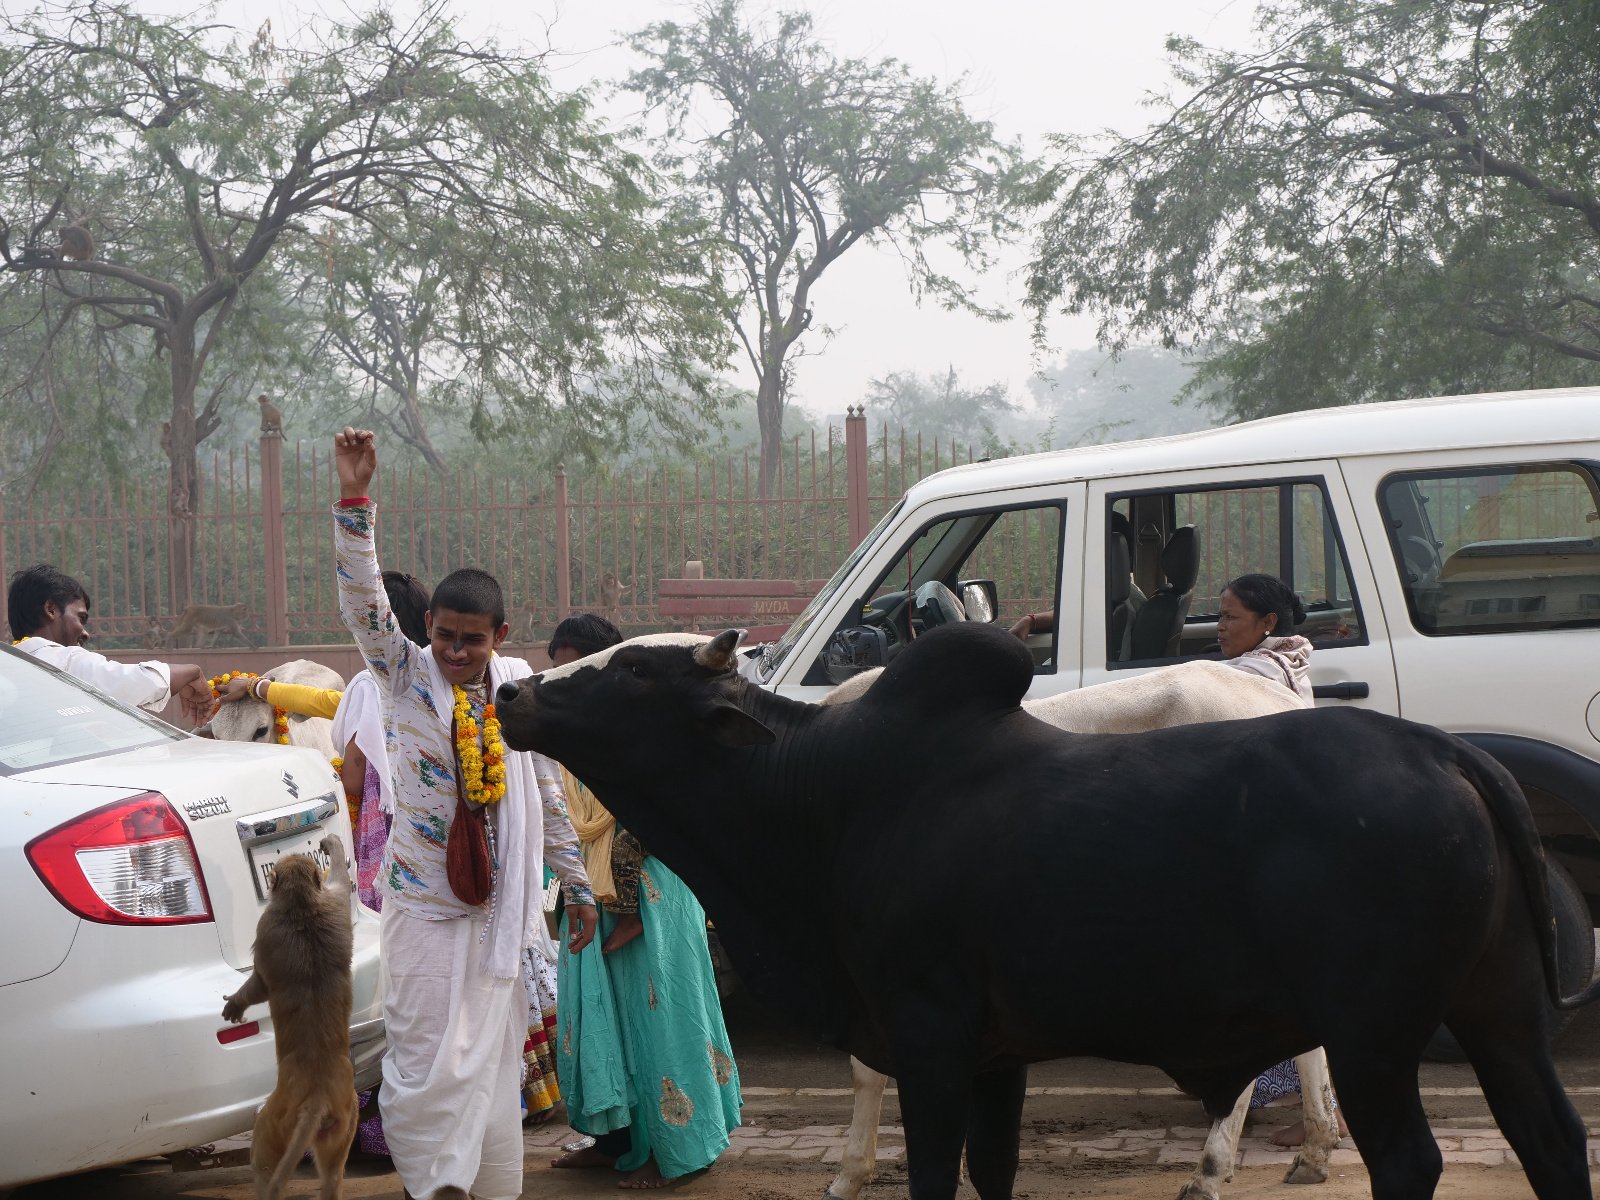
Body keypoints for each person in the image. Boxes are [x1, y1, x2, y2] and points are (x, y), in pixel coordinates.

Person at [330, 426, 599, 1200]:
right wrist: (355, 502)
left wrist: (575, 884)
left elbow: (544, 791)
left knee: (490, 1072)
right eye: (443, 636)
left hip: (498, 924)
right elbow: (361, 600)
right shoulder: (403, 678)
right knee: (419, 1068)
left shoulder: (514, 692)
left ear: (499, 638)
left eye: (469, 640)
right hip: (423, 914)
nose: (453, 650)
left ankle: (488, 1189)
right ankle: (436, 1188)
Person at [546, 612, 743, 1191]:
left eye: (575, 672)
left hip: (653, 893)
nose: (566, 684)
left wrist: (630, 905)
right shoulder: (572, 732)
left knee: (662, 1024)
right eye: (559, 673)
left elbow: (670, 809)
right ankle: (613, 1143)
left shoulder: (651, 726)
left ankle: (680, 1150)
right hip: (591, 892)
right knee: (597, 1023)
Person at [1216, 572, 1345, 1146]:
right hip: (1281, 844)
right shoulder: (1278, 664)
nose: (1218, 626)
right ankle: (1318, 1112)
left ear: (1267, 624)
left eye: (1229, 617)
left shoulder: (1258, 680)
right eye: (1217, 615)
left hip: (1277, 849)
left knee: (1282, 981)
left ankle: (1307, 1109)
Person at [7, 564, 213, 723]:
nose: (85, 633)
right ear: (51, 609)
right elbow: (133, 682)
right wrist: (191, 673)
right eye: (80, 618)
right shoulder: (63, 661)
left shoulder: (9, 663)